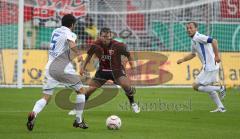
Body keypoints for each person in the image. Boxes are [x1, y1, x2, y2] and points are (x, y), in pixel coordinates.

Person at [26, 14, 88, 131]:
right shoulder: (70, 33)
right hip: (62, 67)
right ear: (72, 24)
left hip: (49, 67)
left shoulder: (55, 31)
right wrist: (79, 54)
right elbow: (71, 43)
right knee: (81, 91)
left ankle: (34, 113)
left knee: (46, 97)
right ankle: (78, 121)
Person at [68, 27, 140, 115]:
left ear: (111, 36)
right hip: (102, 71)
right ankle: (78, 109)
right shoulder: (95, 45)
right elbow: (89, 56)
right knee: (89, 90)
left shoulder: (118, 45)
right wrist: (83, 67)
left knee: (126, 86)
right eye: (104, 37)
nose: (106, 39)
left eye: (108, 37)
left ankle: (133, 103)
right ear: (100, 36)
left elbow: (129, 55)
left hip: (116, 70)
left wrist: (133, 67)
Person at [177, 21, 226, 112]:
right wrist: (182, 60)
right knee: (207, 88)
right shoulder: (194, 40)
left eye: (191, 28)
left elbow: (214, 41)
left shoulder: (199, 37)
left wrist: (217, 55)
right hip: (209, 66)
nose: (188, 30)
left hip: (210, 66)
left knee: (195, 86)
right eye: (187, 28)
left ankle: (220, 88)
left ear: (196, 29)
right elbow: (192, 54)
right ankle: (221, 107)